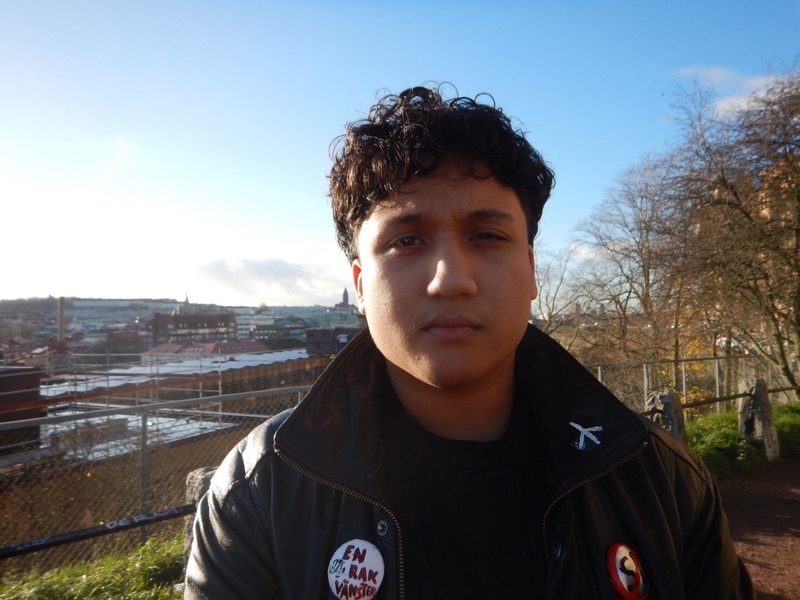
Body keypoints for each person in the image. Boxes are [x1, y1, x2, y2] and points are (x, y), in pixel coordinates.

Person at [185, 86, 753, 599]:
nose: (450, 279)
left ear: (531, 271)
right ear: (360, 285)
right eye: (407, 241)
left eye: (486, 235)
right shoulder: (260, 492)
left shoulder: (661, 479)